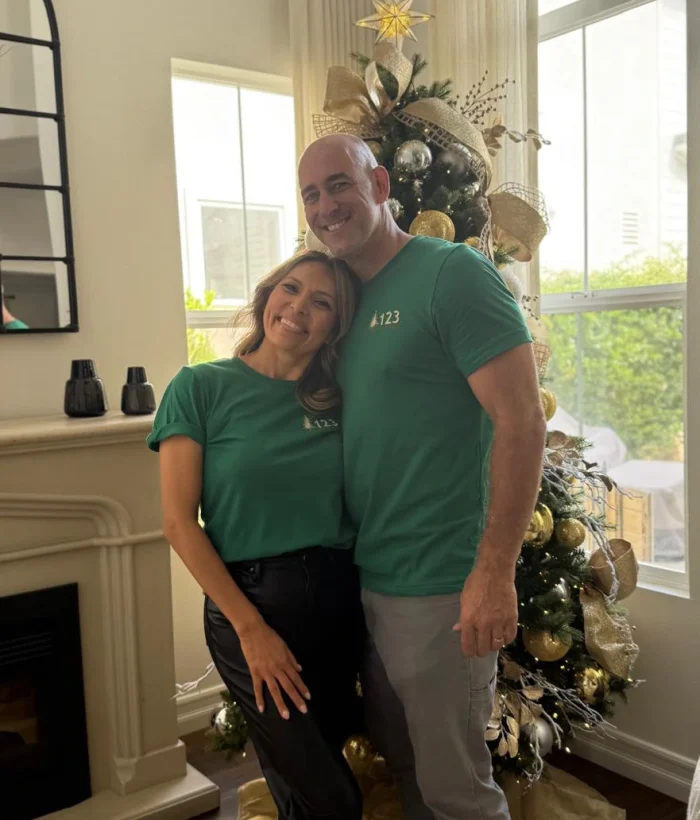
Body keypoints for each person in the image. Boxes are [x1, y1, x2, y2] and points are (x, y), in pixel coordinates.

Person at [298, 135, 547, 820]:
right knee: (405, 767)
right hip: (369, 579)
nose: (325, 205)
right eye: (311, 194)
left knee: (456, 792)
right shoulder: (341, 301)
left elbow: (523, 423)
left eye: (339, 184)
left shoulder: (453, 274)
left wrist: (494, 573)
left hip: (441, 587)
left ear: (380, 184)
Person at [147, 250, 365, 820]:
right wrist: (250, 631)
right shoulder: (200, 388)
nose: (298, 308)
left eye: (322, 303)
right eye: (289, 289)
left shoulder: (342, 398)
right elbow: (177, 522)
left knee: (302, 782)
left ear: (337, 325)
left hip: (341, 603)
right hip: (254, 607)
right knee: (334, 798)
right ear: (267, 295)